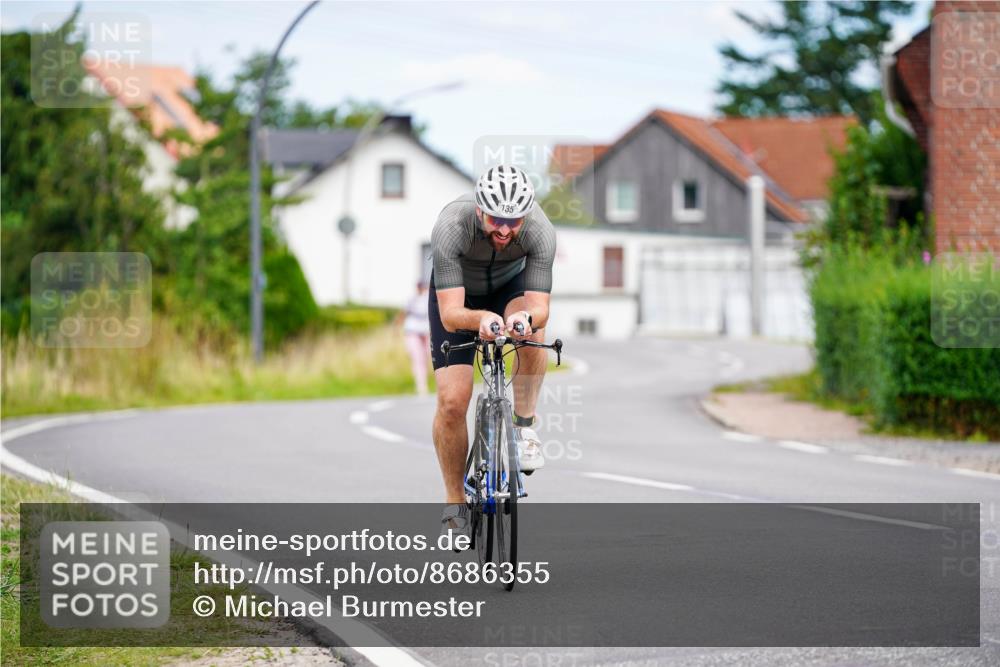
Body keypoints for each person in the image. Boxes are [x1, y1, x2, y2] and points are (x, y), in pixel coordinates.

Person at [428, 164, 556, 537]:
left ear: (526, 215)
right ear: (480, 209)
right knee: (453, 402)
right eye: (496, 218)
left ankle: (525, 425)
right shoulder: (452, 226)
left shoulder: (541, 232)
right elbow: (451, 315)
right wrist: (482, 317)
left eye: (513, 221)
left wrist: (523, 320)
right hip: (459, 295)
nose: (503, 229)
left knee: (531, 331)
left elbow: (540, 307)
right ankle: (454, 502)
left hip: (510, 285)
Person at [401, 281, 431, 396]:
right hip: (413, 331)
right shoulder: (412, 298)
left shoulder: (428, 297)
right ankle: (421, 386)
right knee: (418, 358)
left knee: (429, 357)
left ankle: (432, 382)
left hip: (427, 331)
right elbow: (404, 313)